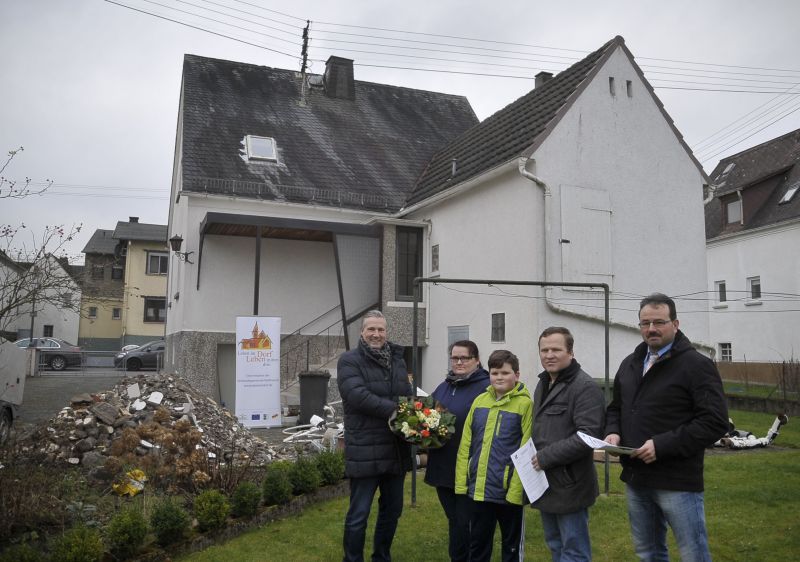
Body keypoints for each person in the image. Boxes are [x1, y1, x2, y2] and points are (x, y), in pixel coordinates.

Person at [604, 293, 729, 562]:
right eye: (645, 323)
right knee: (649, 553)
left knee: (693, 554)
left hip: (677, 481)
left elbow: (715, 421)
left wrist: (661, 445)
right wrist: (612, 432)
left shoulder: (696, 365)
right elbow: (616, 407)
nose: (651, 329)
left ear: (676, 323)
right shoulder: (630, 363)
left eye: (659, 322)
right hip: (637, 478)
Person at [337, 310, 413, 562]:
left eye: (381, 329)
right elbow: (356, 395)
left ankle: (382, 556)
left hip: (394, 448)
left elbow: (406, 394)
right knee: (359, 513)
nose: (376, 334)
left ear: (386, 332)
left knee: (392, 511)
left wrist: (417, 415)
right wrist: (394, 410)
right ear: (362, 332)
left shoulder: (398, 359)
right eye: (371, 329)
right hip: (365, 449)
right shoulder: (349, 360)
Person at [531, 327, 605, 561]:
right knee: (555, 544)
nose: (549, 355)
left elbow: (588, 436)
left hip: (571, 483)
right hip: (545, 482)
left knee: (574, 550)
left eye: (556, 349)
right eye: (544, 350)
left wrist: (545, 457)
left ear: (570, 353)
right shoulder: (543, 384)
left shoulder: (584, 387)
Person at [455, 349, 533, 562]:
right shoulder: (479, 401)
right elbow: (466, 445)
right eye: (495, 372)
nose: (499, 377)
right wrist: (462, 483)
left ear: (516, 375)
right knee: (478, 544)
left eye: (505, 373)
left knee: (511, 547)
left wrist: (516, 491)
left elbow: (527, 448)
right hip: (479, 491)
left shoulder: (525, 405)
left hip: (508, 491)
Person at [425, 340, 490, 562]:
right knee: (454, 520)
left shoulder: (486, 386)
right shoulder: (444, 386)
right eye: (455, 358)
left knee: (466, 522)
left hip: (469, 467)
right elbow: (429, 415)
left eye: (465, 358)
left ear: (477, 360)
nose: (459, 362)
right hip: (443, 466)